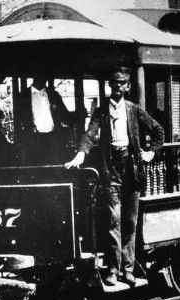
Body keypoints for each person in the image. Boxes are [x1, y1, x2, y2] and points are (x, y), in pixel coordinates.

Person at [65, 67, 164, 287]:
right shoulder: (101, 112)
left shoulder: (134, 110)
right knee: (113, 220)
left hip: (132, 170)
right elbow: (90, 134)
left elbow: (158, 131)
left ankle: (128, 270)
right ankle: (112, 269)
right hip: (111, 170)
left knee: (130, 221)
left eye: (123, 84)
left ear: (127, 87)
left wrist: (150, 153)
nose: (118, 87)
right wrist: (81, 154)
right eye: (115, 84)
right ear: (111, 86)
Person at [17, 76, 74, 164]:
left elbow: (64, 115)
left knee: (54, 168)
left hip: (53, 139)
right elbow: (20, 117)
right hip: (33, 140)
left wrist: (76, 117)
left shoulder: (53, 95)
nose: (42, 77)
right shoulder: (23, 96)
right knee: (35, 167)